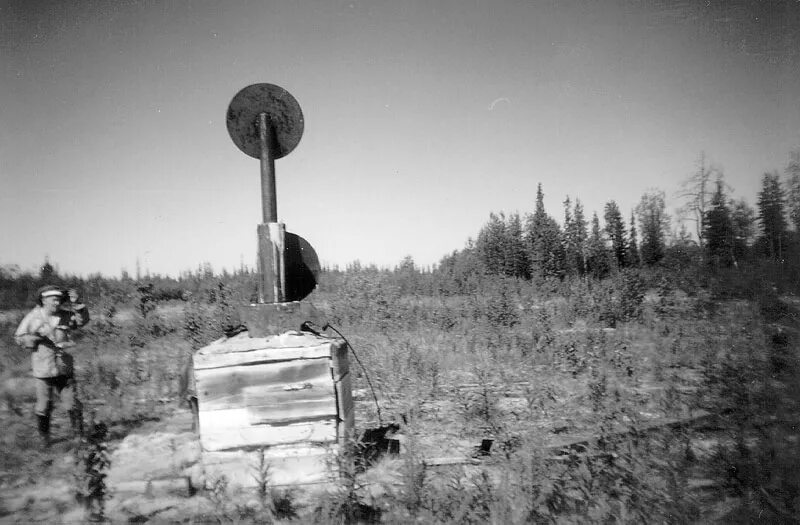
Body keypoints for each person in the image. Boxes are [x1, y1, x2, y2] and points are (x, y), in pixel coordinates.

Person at [14, 285, 90, 447]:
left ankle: (79, 438)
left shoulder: (65, 315)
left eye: (59, 300)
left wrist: (78, 304)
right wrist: (34, 339)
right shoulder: (33, 317)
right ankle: (45, 440)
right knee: (44, 406)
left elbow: (82, 321)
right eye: (53, 300)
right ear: (44, 300)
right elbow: (19, 337)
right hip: (43, 368)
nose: (57, 303)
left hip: (63, 367)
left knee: (72, 403)